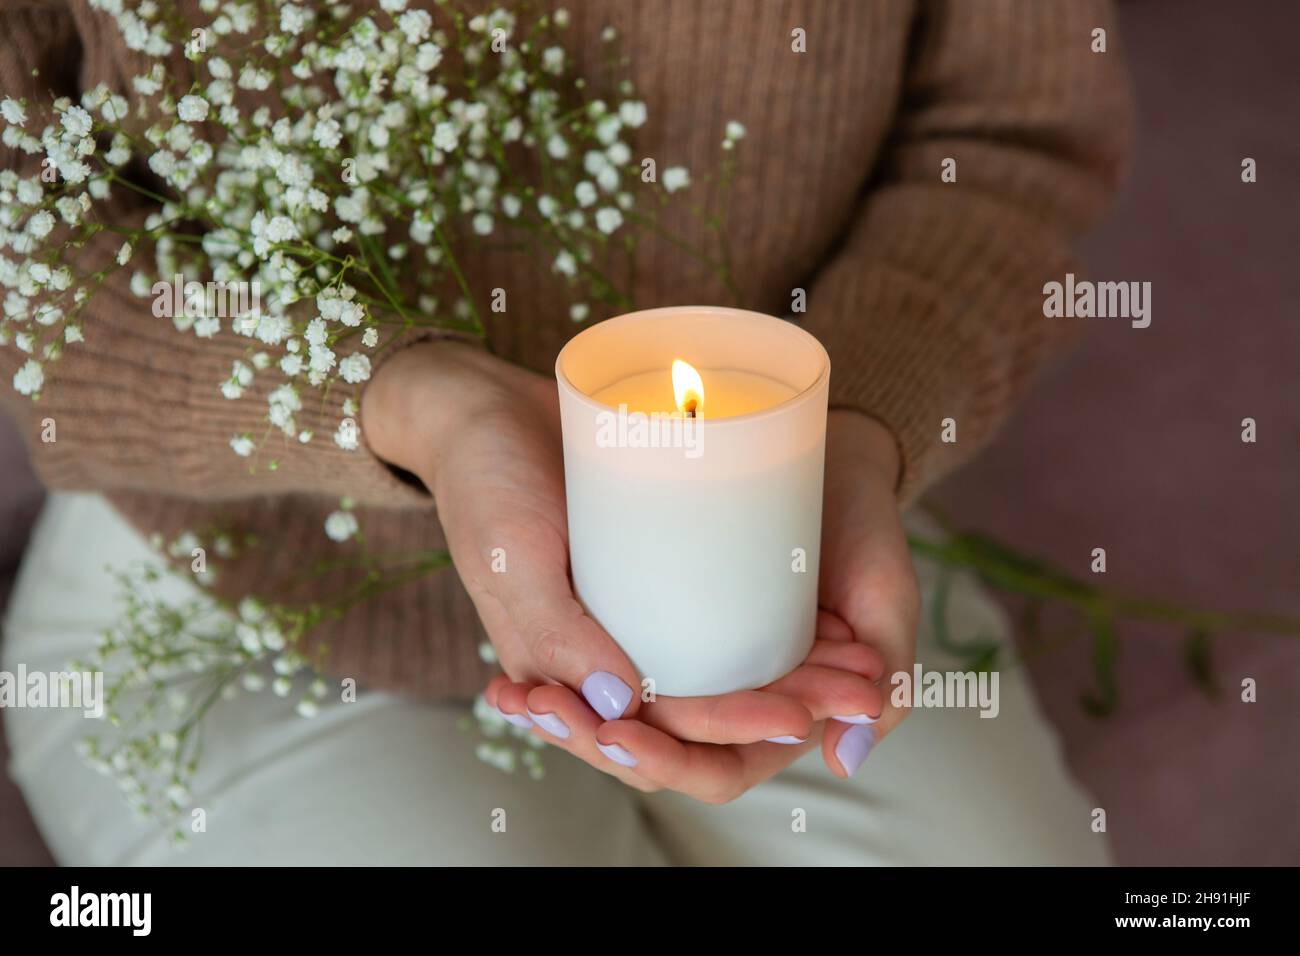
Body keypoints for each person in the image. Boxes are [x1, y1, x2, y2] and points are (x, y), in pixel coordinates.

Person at [0, 0, 1130, 865]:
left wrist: (855, 436)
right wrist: (415, 400)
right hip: (246, 572)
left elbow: (1008, 132)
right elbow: (20, 234)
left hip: (792, 549)